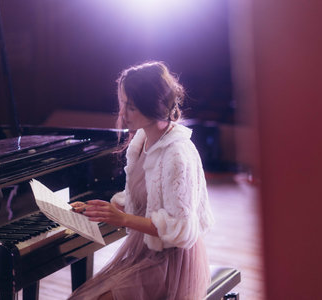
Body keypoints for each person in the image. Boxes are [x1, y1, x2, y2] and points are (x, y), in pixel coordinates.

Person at [68, 61, 215, 300]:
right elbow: (145, 201)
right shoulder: (140, 143)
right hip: (146, 251)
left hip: (170, 261)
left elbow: (180, 229)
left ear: (154, 107)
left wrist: (122, 218)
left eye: (132, 107)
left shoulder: (176, 153)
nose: (123, 114)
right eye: (123, 104)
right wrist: (101, 209)